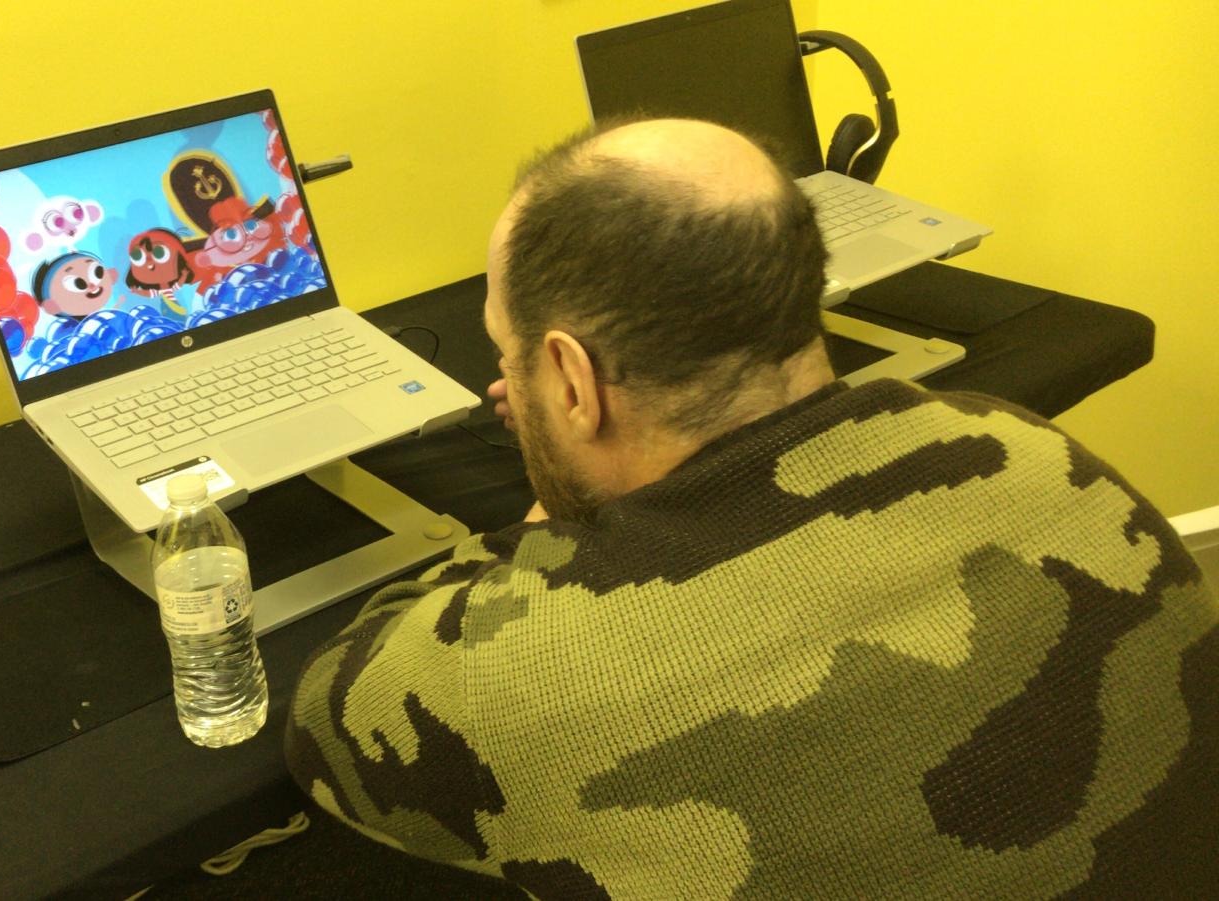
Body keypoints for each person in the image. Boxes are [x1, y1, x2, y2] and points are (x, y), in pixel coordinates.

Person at [284, 118, 1217, 899]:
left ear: (571, 378)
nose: (506, 377)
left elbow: (326, 728)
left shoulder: (521, 669)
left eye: (509, 353)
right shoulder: (1026, 449)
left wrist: (547, 492)